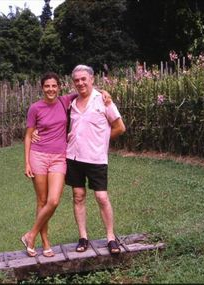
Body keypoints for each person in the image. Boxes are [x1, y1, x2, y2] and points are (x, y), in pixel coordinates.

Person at [21, 72, 112, 257]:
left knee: (53, 201)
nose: (51, 89)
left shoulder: (65, 101)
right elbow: (29, 136)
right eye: (47, 86)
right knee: (42, 201)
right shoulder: (35, 108)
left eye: (54, 86)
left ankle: (30, 235)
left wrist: (104, 91)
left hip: (59, 157)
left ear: (59, 87)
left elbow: (86, 90)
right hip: (38, 156)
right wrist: (27, 163)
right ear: (42, 88)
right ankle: (45, 243)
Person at [65, 64, 126, 255]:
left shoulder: (104, 100)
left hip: (97, 159)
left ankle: (110, 237)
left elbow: (120, 127)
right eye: (77, 80)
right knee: (78, 196)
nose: (80, 83)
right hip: (73, 157)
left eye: (84, 79)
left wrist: (101, 142)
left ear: (92, 79)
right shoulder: (72, 103)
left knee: (101, 197)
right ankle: (83, 237)